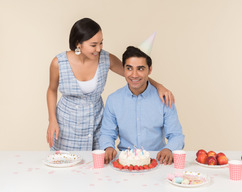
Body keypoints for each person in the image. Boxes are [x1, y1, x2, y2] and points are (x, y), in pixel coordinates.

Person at [46, 18, 174, 151]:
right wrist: (52, 120)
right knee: (67, 164)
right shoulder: (59, 63)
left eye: (101, 43)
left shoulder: (106, 59)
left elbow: (133, 75)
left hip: (95, 125)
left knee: (95, 165)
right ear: (78, 44)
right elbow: (51, 90)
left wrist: (159, 86)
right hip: (67, 125)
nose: (99, 48)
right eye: (93, 45)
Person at [99, 46, 185, 165]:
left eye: (140, 69)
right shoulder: (114, 100)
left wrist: (168, 149)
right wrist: (108, 147)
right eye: (129, 68)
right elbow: (107, 133)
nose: (134, 75)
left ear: (149, 70)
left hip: (158, 160)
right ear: (123, 69)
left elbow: (176, 135)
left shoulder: (164, 99)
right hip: (125, 162)